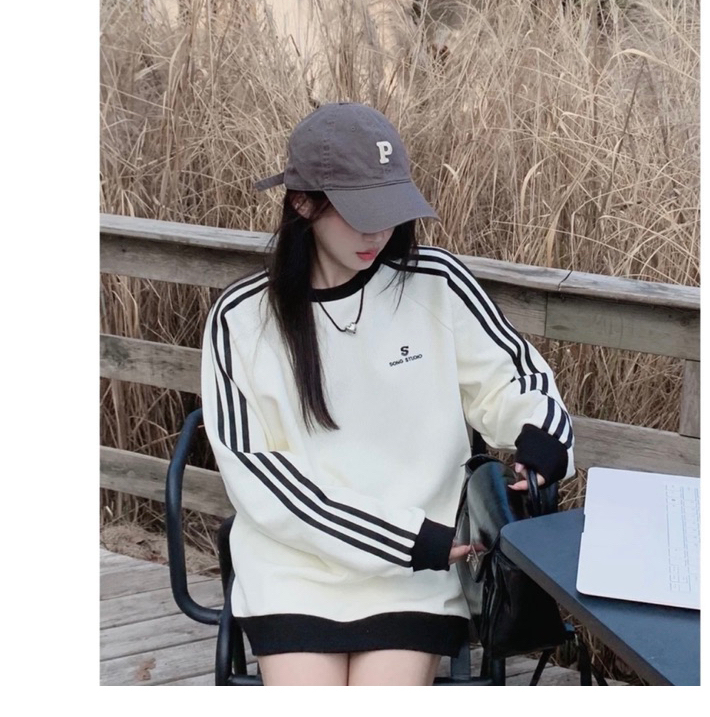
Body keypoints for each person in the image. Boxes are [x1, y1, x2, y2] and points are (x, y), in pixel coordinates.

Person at [201, 102, 575, 686]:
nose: (379, 232)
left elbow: (514, 379)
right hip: (297, 568)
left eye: (390, 211)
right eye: (360, 214)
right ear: (302, 203)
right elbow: (261, 478)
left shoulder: (436, 283)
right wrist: (406, 538)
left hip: (417, 573)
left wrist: (542, 440)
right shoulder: (242, 319)